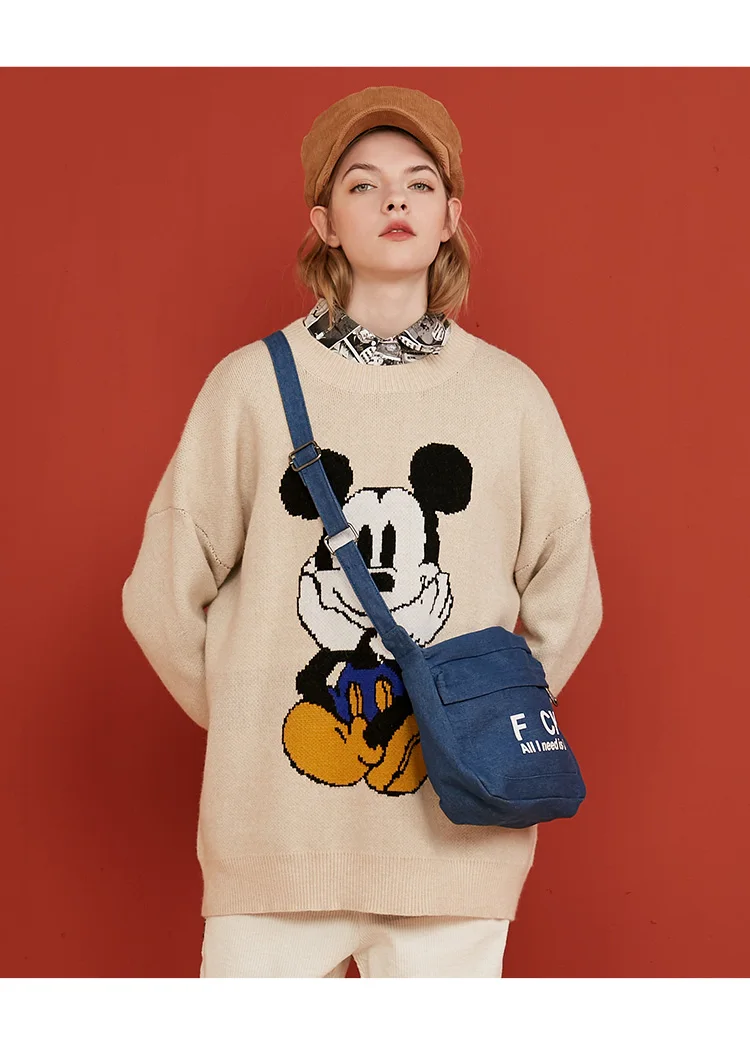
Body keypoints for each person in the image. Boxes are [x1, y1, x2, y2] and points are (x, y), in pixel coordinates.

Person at [121, 85, 604, 978]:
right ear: (325, 223)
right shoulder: (249, 389)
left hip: (456, 849)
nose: (394, 201)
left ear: (450, 217)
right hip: (274, 846)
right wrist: (249, 720)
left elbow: (569, 591)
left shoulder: (510, 399)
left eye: (420, 184)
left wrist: (480, 721)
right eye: (363, 184)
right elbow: (160, 595)